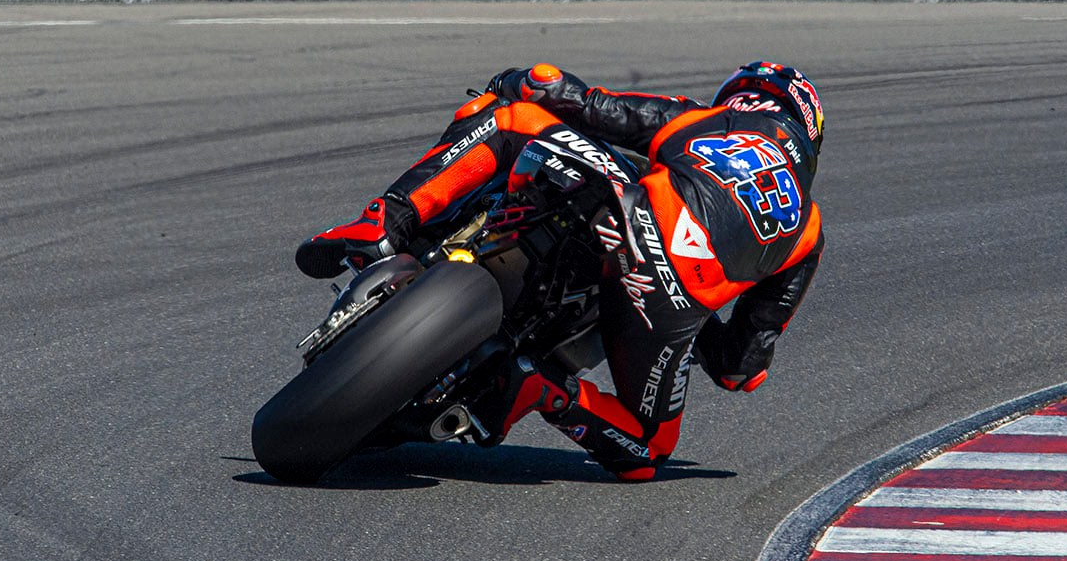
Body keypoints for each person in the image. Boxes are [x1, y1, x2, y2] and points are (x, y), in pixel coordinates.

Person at [296, 62, 826, 482]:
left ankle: (383, 222)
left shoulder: (706, 119)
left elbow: (580, 102)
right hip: (669, 302)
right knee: (647, 448)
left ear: (739, 99)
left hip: (633, 213)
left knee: (507, 116)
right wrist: (701, 306)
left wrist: (521, 81)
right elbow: (740, 370)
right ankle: (546, 389)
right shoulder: (810, 231)